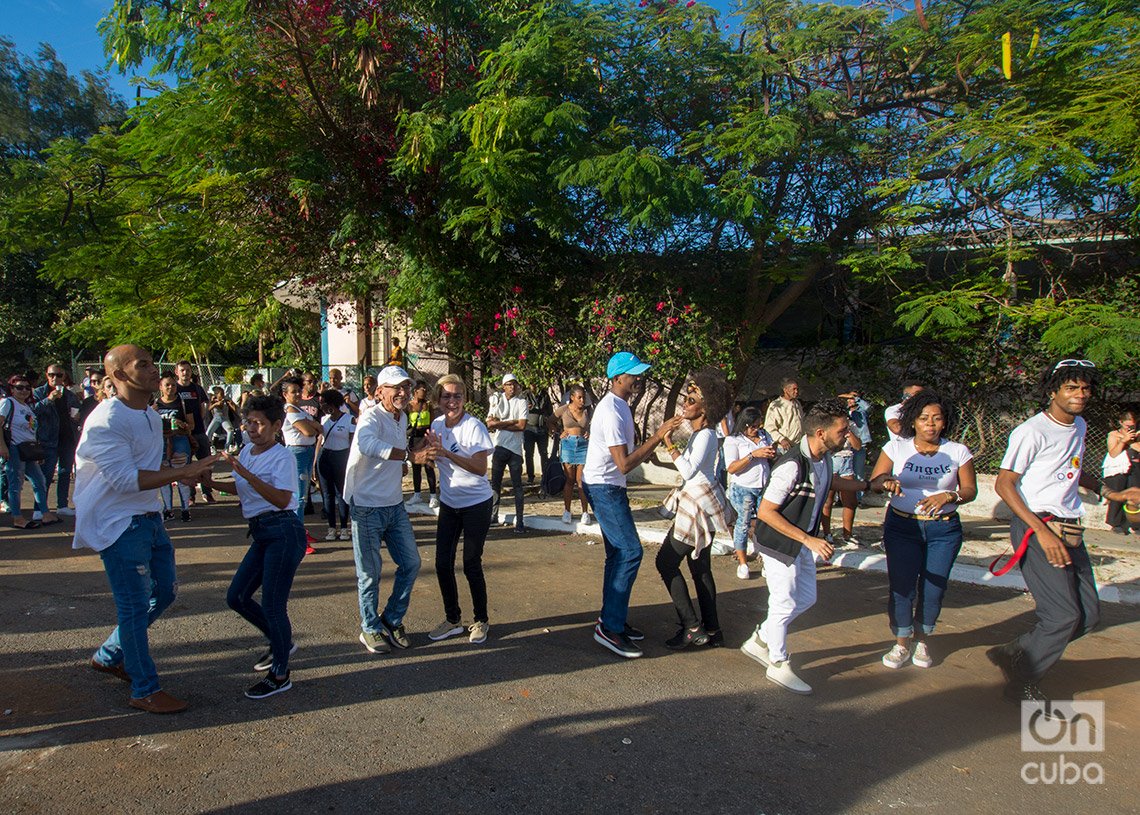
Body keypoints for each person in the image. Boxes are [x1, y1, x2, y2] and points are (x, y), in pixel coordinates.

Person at [990, 360, 1140, 705]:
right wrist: (1039, 531)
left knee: (1088, 615)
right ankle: (1021, 683)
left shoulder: (1080, 425)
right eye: (1071, 388)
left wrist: (1111, 493)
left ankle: (1015, 651)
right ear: (1053, 390)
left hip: (1070, 527)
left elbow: (1072, 471)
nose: (1080, 395)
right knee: (1062, 615)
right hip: (1038, 526)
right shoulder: (1032, 431)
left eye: (1085, 388)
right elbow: (1004, 483)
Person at [77, 344, 217, 714]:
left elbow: (151, 469)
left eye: (154, 363)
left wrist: (189, 473)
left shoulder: (151, 416)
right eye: (144, 365)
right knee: (134, 607)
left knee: (166, 593)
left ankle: (109, 655)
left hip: (150, 517)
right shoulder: (106, 420)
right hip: (119, 525)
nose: (156, 371)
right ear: (119, 376)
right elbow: (124, 480)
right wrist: (184, 471)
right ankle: (144, 687)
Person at [739, 399, 871, 694]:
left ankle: (760, 638)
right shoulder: (791, 465)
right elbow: (766, 512)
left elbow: (831, 482)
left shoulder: (823, 458)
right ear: (821, 433)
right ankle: (777, 662)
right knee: (783, 601)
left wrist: (867, 486)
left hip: (800, 542)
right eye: (842, 430)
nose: (847, 435)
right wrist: (809, 539)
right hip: (778, 544)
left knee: (807, 598)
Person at [205, 394, 307, 699]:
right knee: (236, 596)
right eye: (248, 421)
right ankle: (281, 642)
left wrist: (247, 475)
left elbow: (281, 499)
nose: (251, 428)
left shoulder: (282, 457)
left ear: (276, 426)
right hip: (262, 532)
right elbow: (240, 488)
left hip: (283, 531)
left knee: (274, 605)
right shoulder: (248, 451)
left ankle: (280, 674)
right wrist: (207, 483)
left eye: (259, 423)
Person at [583, 351, 684, 659]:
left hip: (609, 486)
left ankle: (611, 619)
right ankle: (609, 628)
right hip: (604, 487)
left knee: (618, 553)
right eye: (633, 375)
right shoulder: (611, 411)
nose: (638, 379)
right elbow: (624, 464)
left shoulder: (621, 406)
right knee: (630, 551)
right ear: (617, 379)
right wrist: (658, 436)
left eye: (639, 373)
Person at [869, 390, 977, 669]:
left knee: (933, 589)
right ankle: (902, 643)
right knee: (902, 587)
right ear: (913, 421)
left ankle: (923, 640)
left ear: (945, 422)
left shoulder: (958, 452)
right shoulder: (896, 448)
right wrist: (887, 481)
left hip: (944, 530)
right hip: (903, 526)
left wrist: (950, 496)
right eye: (924, 418)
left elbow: (970, 490)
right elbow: (875, 480)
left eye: (937, 419)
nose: (930, 424)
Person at [345, 365, 429, 655]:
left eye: (405, 386)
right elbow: (367, 443)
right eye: (395, 387)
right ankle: (369, 628)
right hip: (367, 506)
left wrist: (401, 462)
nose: (402, 392)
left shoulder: (401, 416)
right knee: (370, 573)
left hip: (394, 505)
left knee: (411, 563)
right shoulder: (370, 416)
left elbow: (391, 453)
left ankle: (391, 619)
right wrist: (408, 455)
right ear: (380, 391)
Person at [654, 368, 736, 649]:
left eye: (691, 400)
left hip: (697, 507)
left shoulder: (706, 436)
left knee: (665, 562)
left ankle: (691, 626)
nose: (685, 404)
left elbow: (688, 471)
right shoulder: (700, 435)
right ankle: (713, 629)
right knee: (699, 566)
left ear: (706, 407)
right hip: (702, 503)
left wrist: (666, 441)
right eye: (687, 398)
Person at [422, 374, 496, 644]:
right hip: (450, 504)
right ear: (437, 400)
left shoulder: (474, 426)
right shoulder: (437, 424)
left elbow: (480, 468)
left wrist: (446, 453)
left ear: (464, 399)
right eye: (446, 396)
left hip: (476, 503)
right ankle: (453, 619)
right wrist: (431, 457)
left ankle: (481, 620)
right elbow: (435, 459)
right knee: (442, 563)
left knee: (471, 563)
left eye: (457, 396)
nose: (451, 401)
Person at [723, 406, 777, 579]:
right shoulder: (733, 440)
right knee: (743, 524)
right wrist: (753, 455)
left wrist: (770, 453)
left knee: (765, 523)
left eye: (758, 426)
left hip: (763, 486)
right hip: (743, 487)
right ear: (744, 425)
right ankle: (743, 562)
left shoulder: (764, 436)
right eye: (752, 426)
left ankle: (765, 559)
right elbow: (731, 468)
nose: (756, 430)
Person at [1, 374, 55, 529]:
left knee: (39, 481)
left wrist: (36, 451)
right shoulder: (7, 403)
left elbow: (31, 429)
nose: (23, 390)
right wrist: (2, 447)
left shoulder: (27, 406)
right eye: (19, 387)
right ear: (11, 389)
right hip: (14, 447)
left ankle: (45, 514)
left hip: (28, 449)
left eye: (26, 387)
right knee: (15, 484)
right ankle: (17, 517)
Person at [31, 362, 83, 516]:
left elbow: (76, 413)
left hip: (67, 438)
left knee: (65, 472)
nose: (55, 378)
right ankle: (39, 508)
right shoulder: (39, 393)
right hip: (48, 439)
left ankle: (62, 505)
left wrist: (76, 417)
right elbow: (33, 412)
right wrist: (49, 399)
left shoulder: (69, 395)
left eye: (58, 375)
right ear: (46, 375)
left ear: (64, 376)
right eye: (51, 375)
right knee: (45, 475)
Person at [280, 376, 322, 551]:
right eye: (293, 391)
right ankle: (298, 539)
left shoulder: (298, 409)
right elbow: (309, 431)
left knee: (303, 496)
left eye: (299, 390)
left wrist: (313, 427)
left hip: (305, 451)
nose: (297, 394)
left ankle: (301, 531)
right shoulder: (291, 411)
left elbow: (319, 428)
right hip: (297, 453)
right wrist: (312, 427)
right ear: (285, 394)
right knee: (299, 498)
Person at [486, 372, 529, 533]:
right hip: (500, 446)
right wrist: (510, 422)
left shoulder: (522, 402)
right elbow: (490, 423)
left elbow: (522, 426)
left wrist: (500, 424)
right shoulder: (497, 400)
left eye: (514, 384)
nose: (512, 387)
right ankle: (493, 516)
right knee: (495, 484)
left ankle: (520, 520)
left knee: (517, 485)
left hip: (516, 449)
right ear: (503, 386)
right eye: (509, 384)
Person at [153, 374, 195, 522]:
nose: (171, 388)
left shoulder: (183, 403)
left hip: (179, 441)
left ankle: (185, 509)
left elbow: (192, 425)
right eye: (167, 385)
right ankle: (168, 509)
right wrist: (152, 412)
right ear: (160, 387)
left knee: (182, 476)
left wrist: (182, 424)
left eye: (173, 385)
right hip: (161, 443)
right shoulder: (155, 404)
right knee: (164, 477)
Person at [173, 360, 216, 504]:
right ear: (177, 372)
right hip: (183, 435)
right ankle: (190, 496)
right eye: (182, 370)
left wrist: (201, 417)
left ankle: (207, 492)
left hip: (199, 431)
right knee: (187, 466)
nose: (185, 373)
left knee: (205, 463)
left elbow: (205, 404)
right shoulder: (174, 389)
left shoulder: (197, 389)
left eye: (188, 370)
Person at [315, 389, 354, 541]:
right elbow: (320, 440)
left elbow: (352, 443)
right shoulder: (324, 419)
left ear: (332, 404)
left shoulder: (349, 419)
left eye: (323, 403)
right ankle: (331, 528)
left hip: (342, 456)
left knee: (341, 493)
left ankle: (344, 527)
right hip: (325, 457)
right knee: (327, 494)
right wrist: (315, 462)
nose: (321, 406)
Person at [820, 417, 862, 547]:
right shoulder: (829, 424)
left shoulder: (851, 425)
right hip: (832, 460)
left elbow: (858, 446)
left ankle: (847, 534)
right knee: (828, 500)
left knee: (850, 500)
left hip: (847, 462)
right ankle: (827, 534)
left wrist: (848, 433)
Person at [553, 384, 591, 525]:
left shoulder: (588, 411)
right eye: (579, 397)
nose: (582, 400)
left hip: (582, 445)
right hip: (568, 444)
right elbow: (550, 422)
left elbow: (593, 426)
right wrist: (558, 432)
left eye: (583, 397)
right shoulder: (564, 410)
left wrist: (589, 432)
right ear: (572, 397)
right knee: (569, 479)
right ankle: (567, 511)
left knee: (581, 480)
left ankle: (585, 512)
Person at [1103, 409, 1139, 534]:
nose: (1129, 428)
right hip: (1117, 469)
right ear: (1121, 423)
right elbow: (1113, 453)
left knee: (1134, 496)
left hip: (1133, 468)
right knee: (1117, 494)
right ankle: (1115, 523)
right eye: (1127, 425)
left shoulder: (1137, 435)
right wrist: (1124, 440)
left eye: (1132, 425)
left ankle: (1134, 524)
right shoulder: (1113, 435)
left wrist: (1133, 441)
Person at [405, 380, 439, 509]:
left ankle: (433, 496)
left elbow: (432, 423)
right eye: (422, 389)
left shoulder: (428, 405)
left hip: (426, 437)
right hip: (415, 438)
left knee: (429, 466)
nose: (424, 392)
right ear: (415, 391)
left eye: (425, 389)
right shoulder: (409, 406)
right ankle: (417, 494)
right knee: (416, 468)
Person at [764, 377, 804, 451]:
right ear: (785, 390)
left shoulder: (797, 403)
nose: (796, 391)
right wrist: (781, 439)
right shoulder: (776, 405)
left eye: (797, 389)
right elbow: (769, 428)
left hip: (798, 446)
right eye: (794, 389)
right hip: (784, 447)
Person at [523, 383, 552, 485]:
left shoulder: (544, 395)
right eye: (532, 384)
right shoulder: (525, 395)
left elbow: (550, 411)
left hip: (542, 428)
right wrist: (526, 407)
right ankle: (530, 476)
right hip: (529, 428)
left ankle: (545, 475)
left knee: (543, 453)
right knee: (529, 454)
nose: (534, 386)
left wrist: (548, 423)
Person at [206, 386, 239, 453]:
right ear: (216, 395)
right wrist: (215, 404)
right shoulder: (213, 401)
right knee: (208, 432)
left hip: (225, 419)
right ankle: (211, 446)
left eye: (223, 394)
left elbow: (235, 409)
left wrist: (231, 404)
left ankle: (226, 447)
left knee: (230, 431)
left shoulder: (226, 401)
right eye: (221, 394)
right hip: (216, 419)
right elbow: (209, 409)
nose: (223, 396)